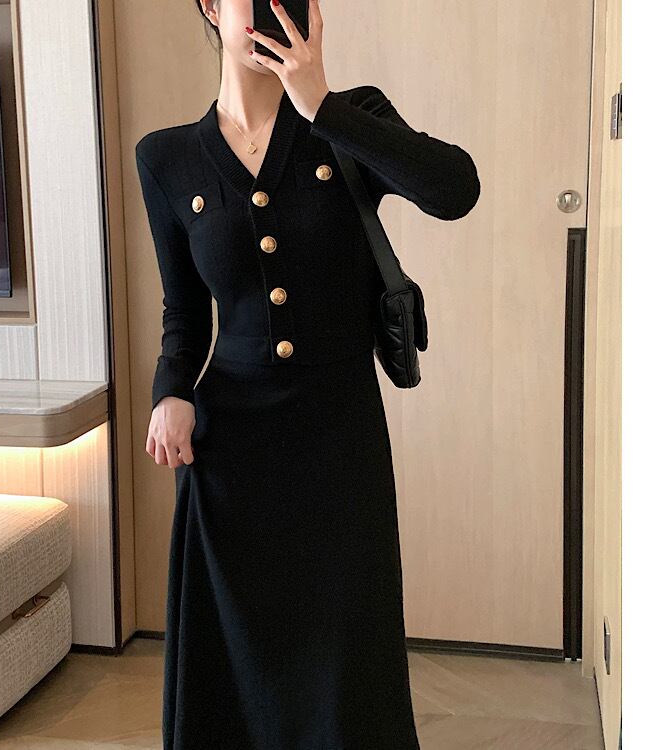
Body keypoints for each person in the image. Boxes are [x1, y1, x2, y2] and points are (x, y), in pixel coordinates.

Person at [135, 1, 480, 747]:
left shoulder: (352, 116)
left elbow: (456, 190)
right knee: (239, 659)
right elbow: (184, 313)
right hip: (230, 453)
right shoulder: (166, 157)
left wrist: (320, 104)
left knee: (345, 651)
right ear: (210, 6)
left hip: (338, 437)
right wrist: (170, 393)